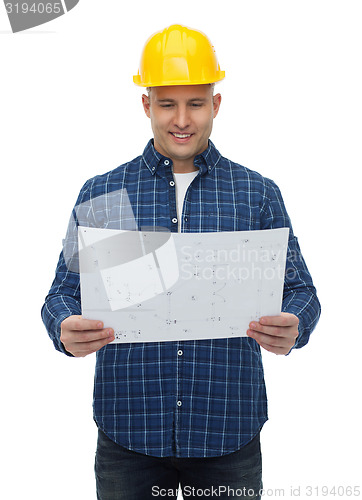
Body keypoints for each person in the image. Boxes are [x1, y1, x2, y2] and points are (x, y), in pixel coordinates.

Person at [42, 24, 321, 499]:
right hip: (128, 431)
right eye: (167, 103)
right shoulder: (104, 194)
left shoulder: (255, 194)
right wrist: (64, 328)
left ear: (215, 104)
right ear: (146, 104)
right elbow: (62, 294)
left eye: (195, 102)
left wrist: (296, 323)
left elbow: (301, 292)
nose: (182, 120)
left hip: (226, 433)